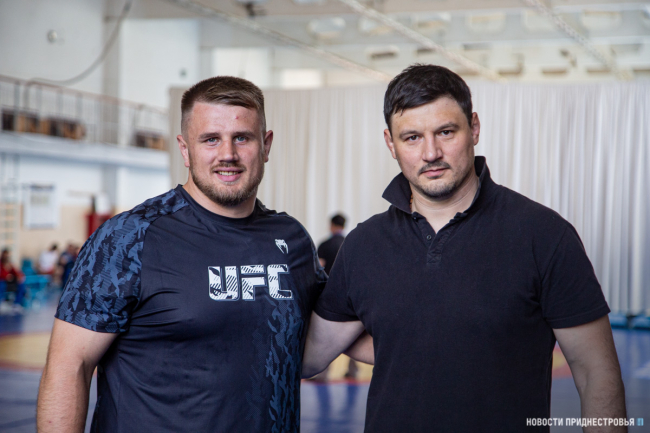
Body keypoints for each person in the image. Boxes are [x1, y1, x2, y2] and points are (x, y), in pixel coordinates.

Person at [303, 64, 627, 432]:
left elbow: (595, 372)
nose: (431, 153)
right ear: (391, 144)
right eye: (412, 137)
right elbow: (312, 357)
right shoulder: (364, 245)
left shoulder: (544, 235)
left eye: (446, 132)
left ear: (474, 127)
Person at [37, 76, 333, 433]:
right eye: (211, 139)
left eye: (242, 137)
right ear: (184, 148)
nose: (228, 154)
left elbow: (325, 339)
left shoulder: (291, 240)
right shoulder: (129, 238)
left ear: (266, 145)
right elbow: (69, 366)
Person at [315, 213, 357, 380]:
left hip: (330, 294)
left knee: (327, 335)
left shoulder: (325, 244)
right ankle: (353, 370)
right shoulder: (350, 243)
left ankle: (323, 373)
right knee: (354, 332)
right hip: (350, 294)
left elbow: (319, 269)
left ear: (331, 225)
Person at [0, 248, 26, 312]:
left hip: (11, 282)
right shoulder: (1, 264)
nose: (6, 257)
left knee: (21, 285)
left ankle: (17, 303)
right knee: (1, 284)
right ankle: (1, 302)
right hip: (3, 281)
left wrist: (19, 276)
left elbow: (16, 272)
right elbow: (2, 274)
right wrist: (6, 275)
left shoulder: (10, 264)